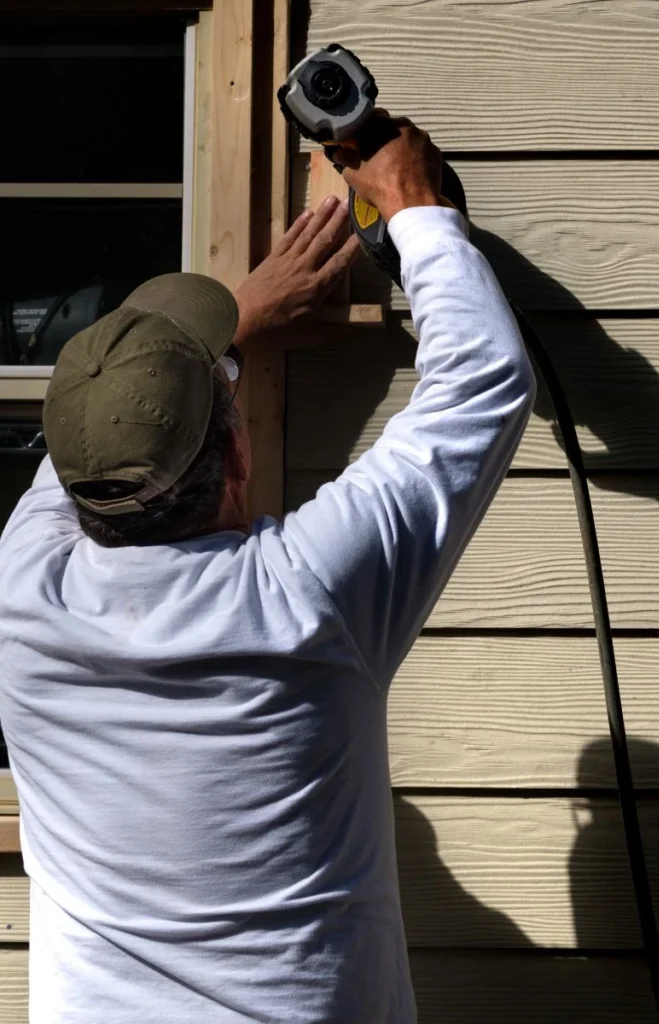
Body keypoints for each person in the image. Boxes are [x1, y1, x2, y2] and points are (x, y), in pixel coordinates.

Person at [0, 115, 536, 1024]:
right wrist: (414, 206)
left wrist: (232, 324)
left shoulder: (21, 589)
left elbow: (97, 446)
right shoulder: (306, 594)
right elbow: (482, 378)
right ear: (239, 454)